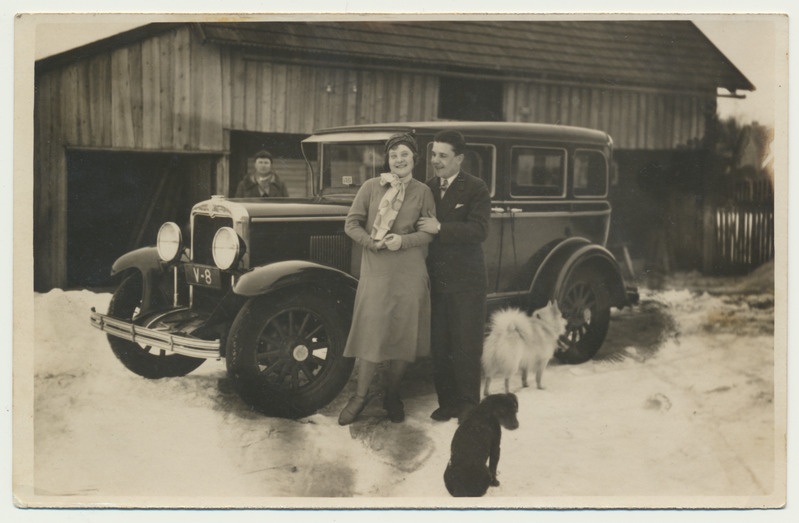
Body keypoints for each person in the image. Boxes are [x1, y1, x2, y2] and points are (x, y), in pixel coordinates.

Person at [338, 133, 437, 425]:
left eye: (405, 154)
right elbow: (351, 223)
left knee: (403, 336)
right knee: (372, 334)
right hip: (377, 271)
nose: (399, 160)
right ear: (388, 159)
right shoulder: (371, 187)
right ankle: (360, 396)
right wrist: (372, 242)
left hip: (410, 272)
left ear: (414, 159)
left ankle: (393, 394)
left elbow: (430, 232)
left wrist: (402, 241)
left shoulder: (423, 192)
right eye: (394, 155)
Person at [416, 130, 491, 424]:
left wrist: (440, 228)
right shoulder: (427, 188)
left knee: (466, 345)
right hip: (437, 280)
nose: (436, 161)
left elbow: (479, 230)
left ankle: (469, 407)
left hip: (467, 282)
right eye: (434, 154)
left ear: (459, 158)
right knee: (441, 345)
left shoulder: (476, 188)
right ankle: (447, 403)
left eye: (443, 156)